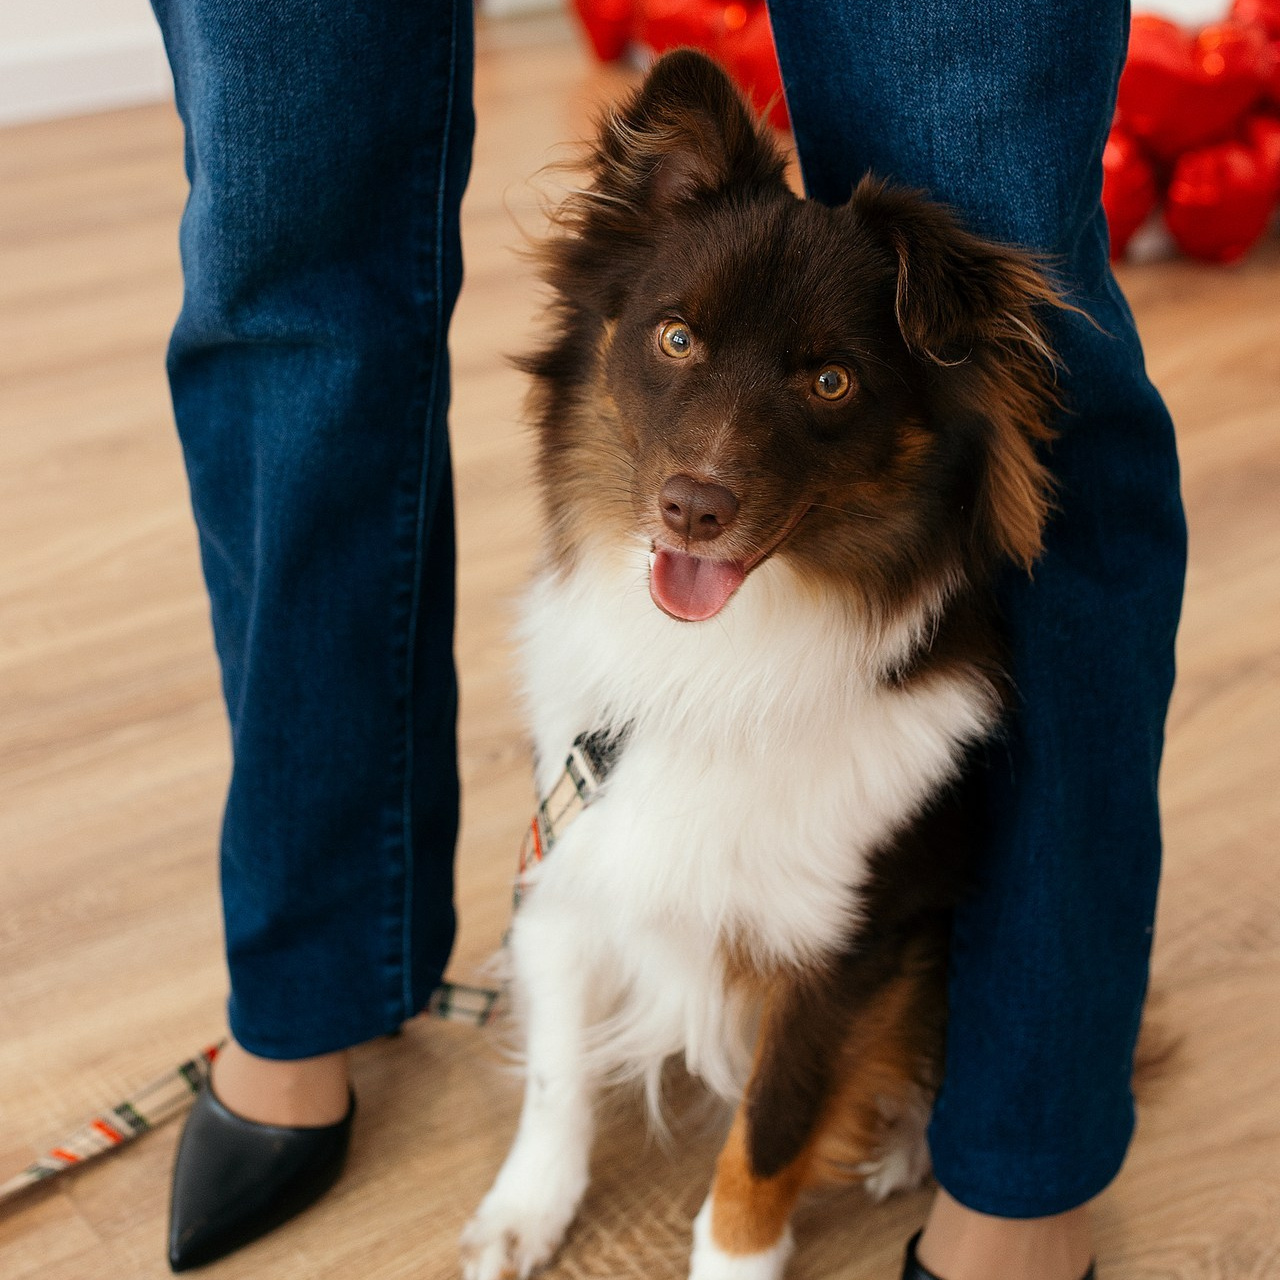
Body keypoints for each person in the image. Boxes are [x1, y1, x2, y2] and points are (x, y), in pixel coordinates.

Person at [149, 1, 1186, 1276]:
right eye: (678, 339)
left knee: (994, 190)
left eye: (821, 381)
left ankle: (1026, 1144)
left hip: (862, 721)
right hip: (631, 722)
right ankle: (305, 989)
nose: (703, 473)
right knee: (282, 227)